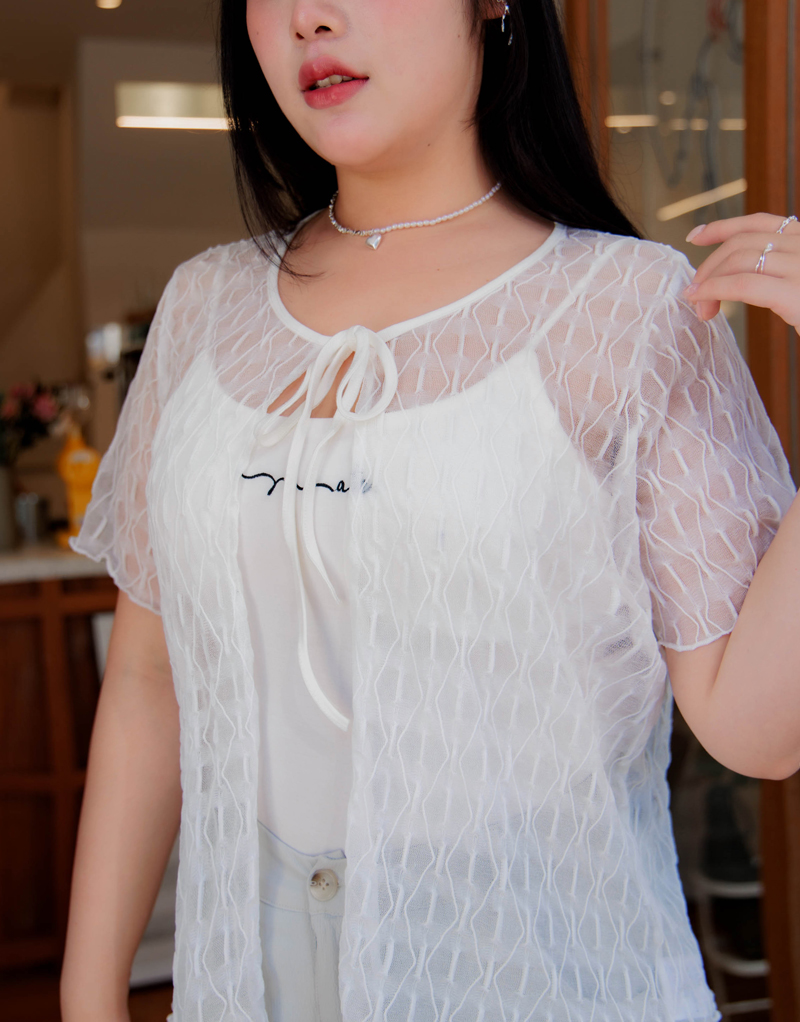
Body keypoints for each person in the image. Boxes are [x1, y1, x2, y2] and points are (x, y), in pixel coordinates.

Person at [59, 1, 800, 1020]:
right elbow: (149, 678)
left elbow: (758, 732)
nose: (310, 17)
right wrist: (89, 993)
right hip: (243, 973)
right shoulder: (204, 306)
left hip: (532, 970)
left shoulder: (627, 306)